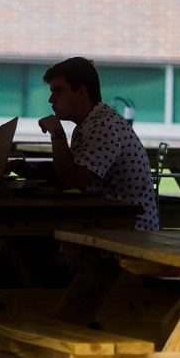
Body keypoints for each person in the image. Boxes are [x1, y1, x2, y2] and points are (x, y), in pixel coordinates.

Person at [21, 57, 159, 231]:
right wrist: (30, 171)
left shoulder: (105, 127)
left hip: (131, 233)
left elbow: (71, 181)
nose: (51, 99)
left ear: (81, 92)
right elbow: (73, 173)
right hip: (109, 225)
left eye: (58, 91)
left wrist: (57, 133)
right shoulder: (92, 123)